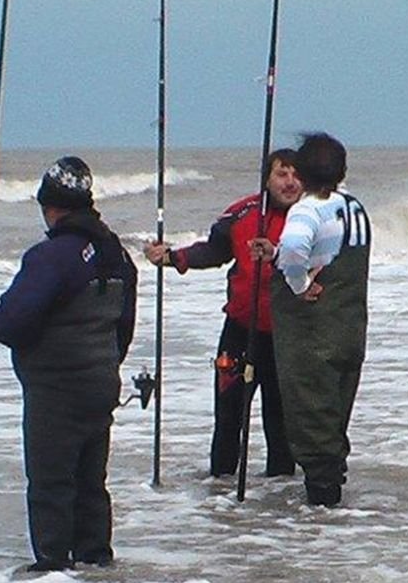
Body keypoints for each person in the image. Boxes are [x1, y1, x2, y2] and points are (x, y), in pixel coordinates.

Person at [0, 157, 137, 572]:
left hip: (56, 389)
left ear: (50, 206)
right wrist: (107, 360)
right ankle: (96, 560)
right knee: (90, 482)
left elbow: (14, 322)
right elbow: (124, 323)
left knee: (51, 483)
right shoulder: (115, 252)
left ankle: (53, 569)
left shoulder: (50, 257)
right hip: (101, 380)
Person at [143, 150, 300, 478]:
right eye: (281, 174)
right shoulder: (243, 214)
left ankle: (281, 508)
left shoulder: (312, 218)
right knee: (228, 417)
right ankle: (221, 500)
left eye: (296, 175)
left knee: (281, 425)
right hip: (240, 331)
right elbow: (212, 251)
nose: (290, 183)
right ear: (266, 179)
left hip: (290, 338)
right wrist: (172, 257)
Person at [267, 133, 370, 507]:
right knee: (334, 417)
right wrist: (279, 253)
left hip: (313, 336)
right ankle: (334, 508)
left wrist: (296, 285)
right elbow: (323, 249)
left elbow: (297, 249)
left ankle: (322, 509)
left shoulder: (308, 209)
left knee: (312, 422)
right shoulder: (354, 207)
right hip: (350, 329)